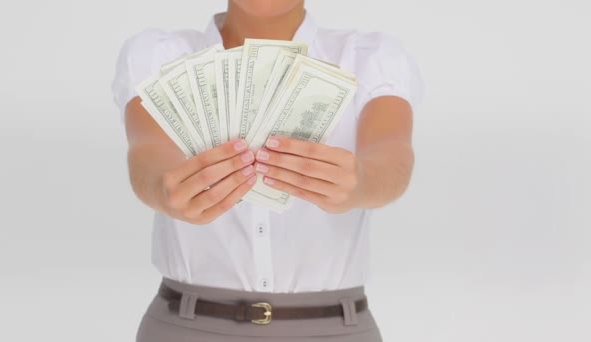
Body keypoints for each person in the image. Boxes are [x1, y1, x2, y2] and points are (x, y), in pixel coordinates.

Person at [111, 0, 423, 341]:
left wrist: (362, 181)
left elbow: (390, 154)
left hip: (335, 329)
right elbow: (149, 151)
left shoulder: (370, 57)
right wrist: (164, 189)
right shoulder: (157, 55)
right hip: (186, 326)